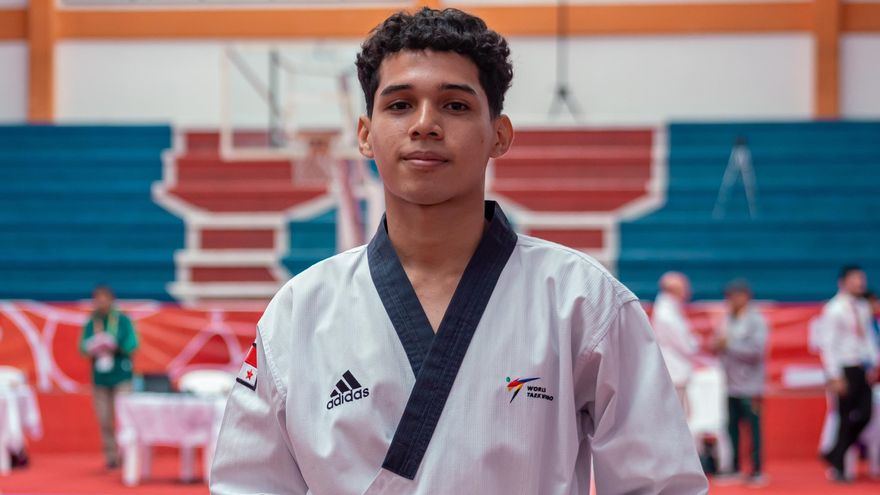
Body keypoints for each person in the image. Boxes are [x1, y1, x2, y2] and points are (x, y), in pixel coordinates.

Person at [210, 8, 707, 494]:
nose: (425, 124)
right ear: (365, 135)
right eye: (399, 105)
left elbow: (661, 484)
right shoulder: (300, 312)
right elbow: (248, 483)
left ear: (499, 135)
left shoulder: (582, 301)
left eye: (455, 105)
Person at [819, 265, 878, 481]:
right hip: (844, 368)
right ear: (843, 282)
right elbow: (828, 344)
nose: (859, 283)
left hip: (862, 366)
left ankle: (834, 452)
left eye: (861, 279)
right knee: (844, 418)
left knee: (866, 414)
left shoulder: (862, 307)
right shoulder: (833, 309)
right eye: (855, 279)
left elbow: (868, 337)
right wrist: (834, 375)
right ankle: (840, 468)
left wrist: (874, 363)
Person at [712, 279, 768, 485]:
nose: (731, 300)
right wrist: (716, 344)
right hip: (729, 384)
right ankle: (734, 467)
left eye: (735, 295)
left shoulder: (756, 321)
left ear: (745, 296)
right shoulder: (726, 319)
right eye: (729, 296)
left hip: (751, 386)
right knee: (732, 428)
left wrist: (729, 345)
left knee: (753, 428)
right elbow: (717, 342)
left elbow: (757, 351)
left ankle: (756, 470)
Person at [79, 285, 138, 469]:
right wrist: (93, 346)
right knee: (104, 419)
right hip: (100, 377)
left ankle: (128, 453)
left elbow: (133, 344)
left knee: (125, 417)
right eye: (98, 299)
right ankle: (111, 455)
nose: (101, 302)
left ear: (112, 300)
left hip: (121, 375)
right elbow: (82, 348)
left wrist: (117, 345)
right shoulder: (91, 322)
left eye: (105, 299)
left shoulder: (123, 320)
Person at [652, 271, 699, 414]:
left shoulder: (670, 309)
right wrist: (695, 342)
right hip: (674, 370)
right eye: (685, 287)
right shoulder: (666, 313)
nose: (688, 291)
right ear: (675, 289)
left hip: (677, 369)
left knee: (681, 413)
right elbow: (686, 344)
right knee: (676, 415)